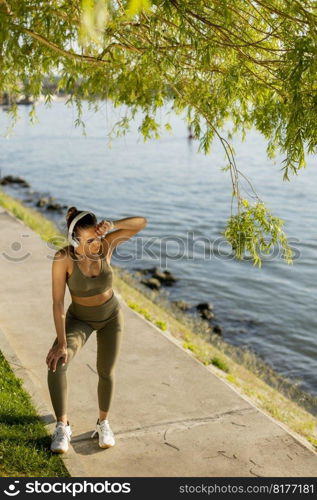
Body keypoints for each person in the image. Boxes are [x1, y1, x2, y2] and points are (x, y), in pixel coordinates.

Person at [46, 206, 147, 453]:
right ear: (74, 239)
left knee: (106, 371)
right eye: (89, 240)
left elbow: (141, 223)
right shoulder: (64, 259)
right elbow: (58, 303)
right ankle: (62, 426)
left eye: (96, 238)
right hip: (80, 319)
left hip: (111, 316)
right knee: (57, 363)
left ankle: (103, 423)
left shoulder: (105, 246)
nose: (95, 244)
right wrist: (61, 343)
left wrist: (111, 224)